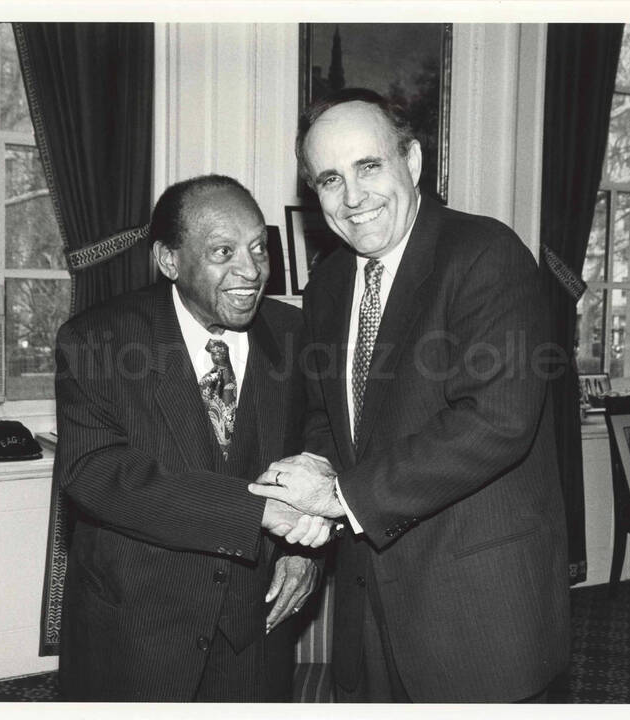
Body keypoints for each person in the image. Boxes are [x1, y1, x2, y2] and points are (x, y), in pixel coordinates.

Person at [249, 88, 570, 702]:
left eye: (369, 167)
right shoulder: (329, 285)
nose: (353, 197)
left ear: (413, 163)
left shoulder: (485, 254)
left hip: (479, 611)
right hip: (369, 609)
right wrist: (318, 463)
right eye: (329, 180)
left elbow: (495, 421)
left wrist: (338, 495)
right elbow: (327, 414)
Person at [53, 174, 330, 701]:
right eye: (223, 252)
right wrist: (257, 513)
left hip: (257, 630)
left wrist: (306, 552)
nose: (251, 271)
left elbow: (323, 439)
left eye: (258, 248)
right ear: (170, 261)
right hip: (137, 634)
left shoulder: (296, 335)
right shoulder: (96, 339)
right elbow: (94, 472)